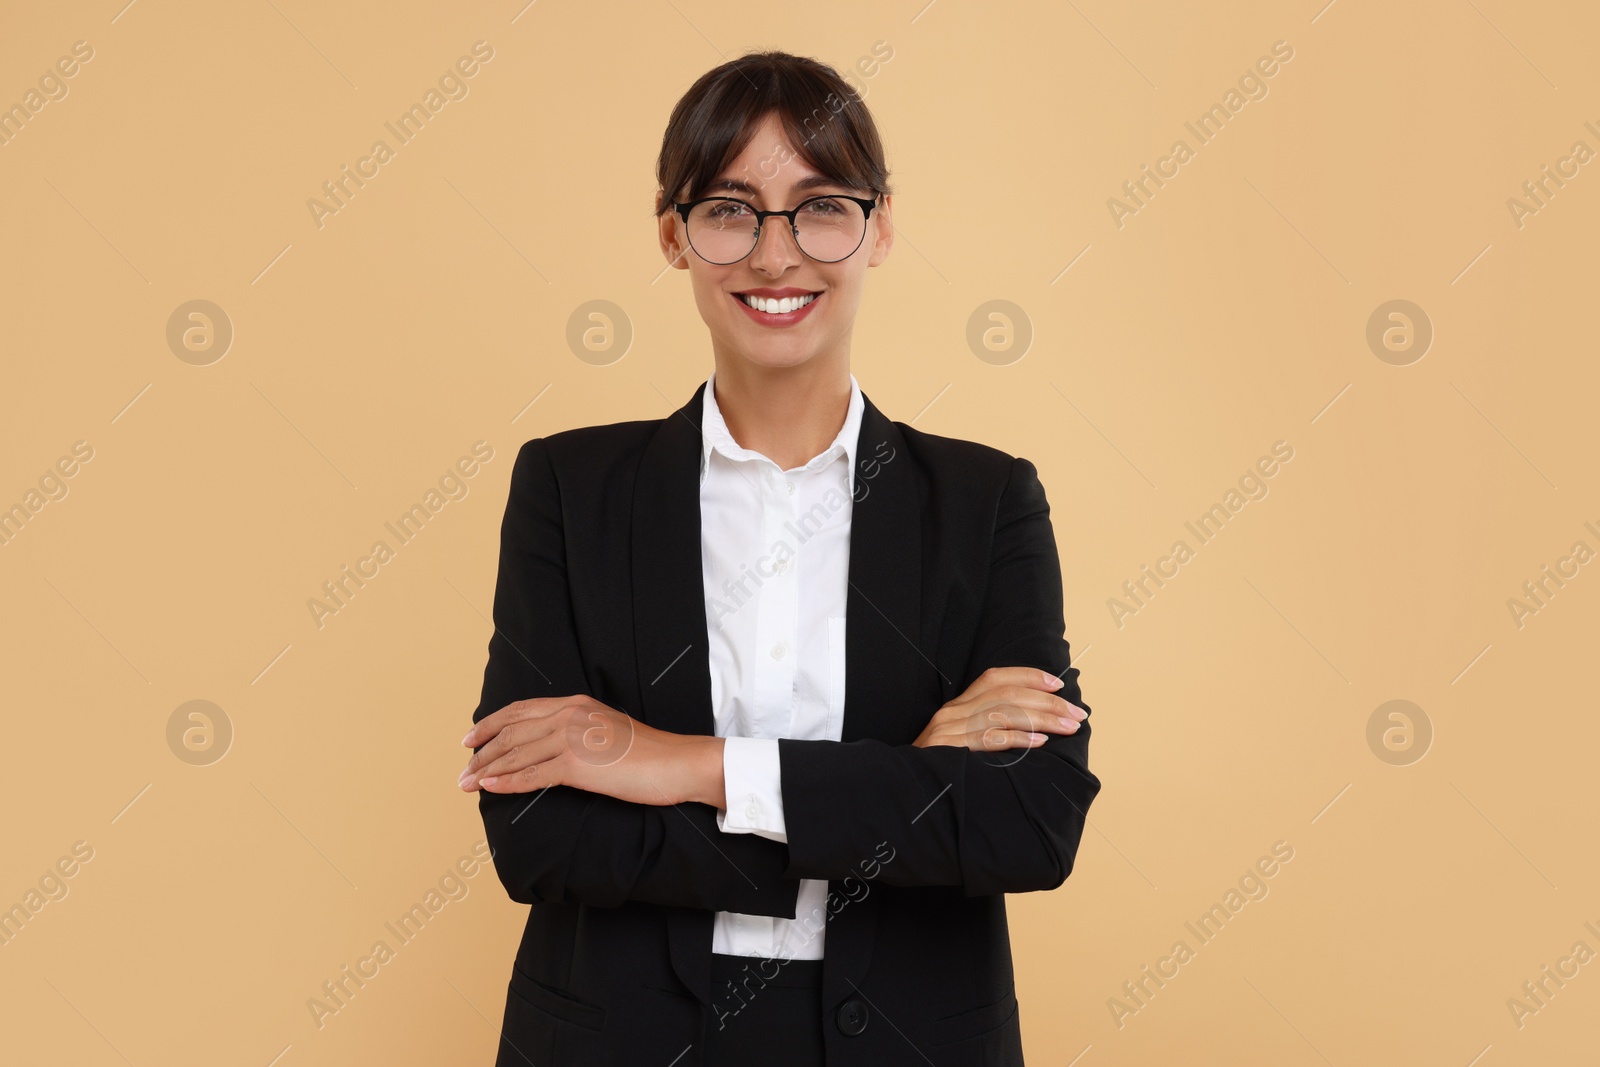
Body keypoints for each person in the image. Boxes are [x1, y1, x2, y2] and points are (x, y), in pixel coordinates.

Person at [458, 49, 1100, 1067]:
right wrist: (896, 794)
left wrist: (675, 763)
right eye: (729, 209)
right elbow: (539, 835)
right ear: (673, 235)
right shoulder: (573, 489)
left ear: (879, 226)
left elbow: (1028, 822)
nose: (775, 253)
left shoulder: (983, 501)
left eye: (820, 206)